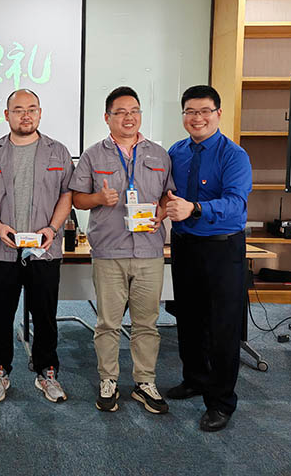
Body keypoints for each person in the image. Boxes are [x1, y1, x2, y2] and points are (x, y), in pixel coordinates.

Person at [71, 86, 173, 414]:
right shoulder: (93, 155)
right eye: (121, 112)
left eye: (134, 111)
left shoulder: (159, 155)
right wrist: (99, 199)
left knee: (147, 323)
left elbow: (167, 196)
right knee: (108, 323)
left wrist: (161, 213)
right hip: (109, 251)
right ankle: (108, 380)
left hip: (149, 252)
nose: (129, 117)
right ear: (107, 117)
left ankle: (145, 382)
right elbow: (77, 199)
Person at [0, 89, 74, 403]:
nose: (25, 115)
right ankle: (0, 371)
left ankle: (47, 372)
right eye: (18, 110)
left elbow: (67, 195)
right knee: (1, 314)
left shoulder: (58, 152)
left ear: (40, 113)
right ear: (7, 115)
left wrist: (52, 228)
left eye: (31, 109)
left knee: (45, 315)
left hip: (44, 249)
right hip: (4, 248)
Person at [165, 84, 252, 432]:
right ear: (183, 115)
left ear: (218, 114)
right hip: (184, 245)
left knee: (222, 327)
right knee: (188, 317)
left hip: (222, 248)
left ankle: (221, 402)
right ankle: (194, 379)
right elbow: (167, 193)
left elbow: (236, 202)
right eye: (190, 111)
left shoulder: (234, 155)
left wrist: (195, 208)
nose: (197, 118)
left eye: (204, 111)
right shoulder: (176, 151)